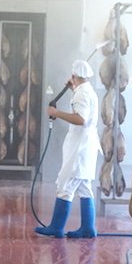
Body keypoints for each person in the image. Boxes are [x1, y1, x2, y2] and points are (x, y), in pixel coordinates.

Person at [35, 59, 101, 238]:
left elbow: (81, 119)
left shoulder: (82, 94)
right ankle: (88, 228)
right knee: (84, 186)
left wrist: (57, 114)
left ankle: (56, 227)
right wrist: (73, 89)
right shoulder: (87, 91)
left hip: (80, 146)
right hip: (86, 145)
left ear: (74, 75)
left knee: (66, 184)